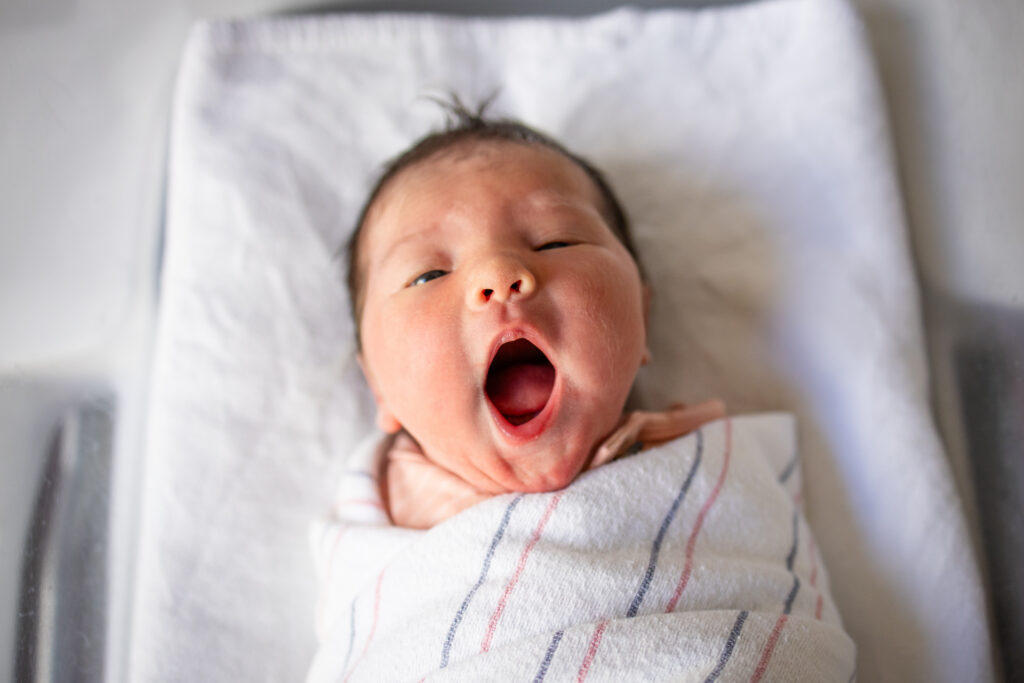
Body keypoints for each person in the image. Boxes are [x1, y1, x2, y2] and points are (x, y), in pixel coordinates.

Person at [344, 100, 725, 529]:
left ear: (642, 314)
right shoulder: (374, 519)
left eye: (555, 242)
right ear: (378, 384)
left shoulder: (718, 464)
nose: (499, 275)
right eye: (428, 275)